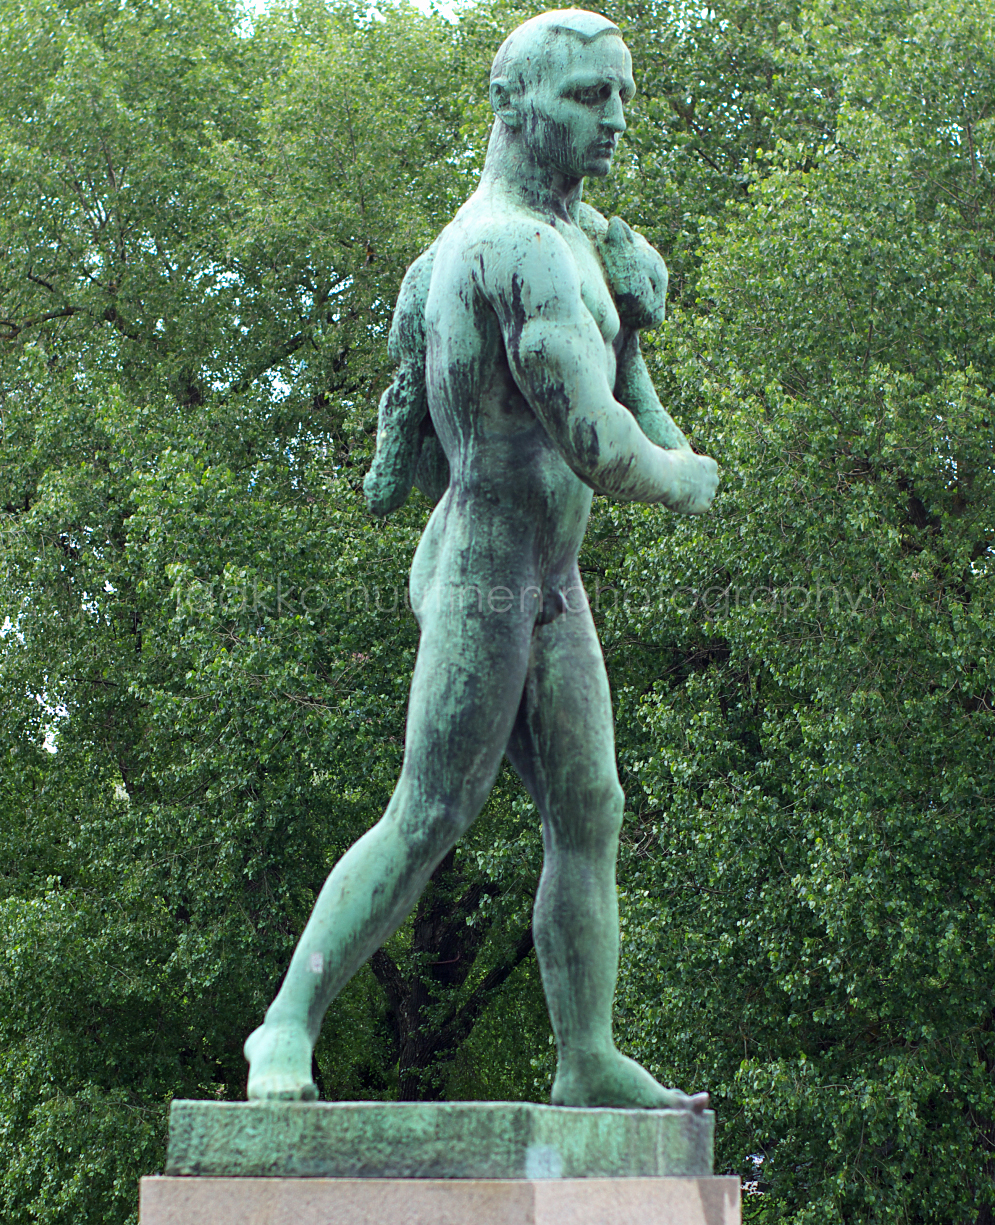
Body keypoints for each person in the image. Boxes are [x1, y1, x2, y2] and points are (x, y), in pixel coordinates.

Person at [244, 7, 719, 1108]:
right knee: (429, 813)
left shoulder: (575, 240)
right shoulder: (513, 250)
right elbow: (601, 444)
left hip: (548, 579)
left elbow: (629, 403)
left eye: (623, 94)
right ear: (512, 105)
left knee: (590, 809)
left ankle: (584, 1054)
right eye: (587, 96)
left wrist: (636, 325)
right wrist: (682, 477)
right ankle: (285, 1025)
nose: (614, 118)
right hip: (486, 571)